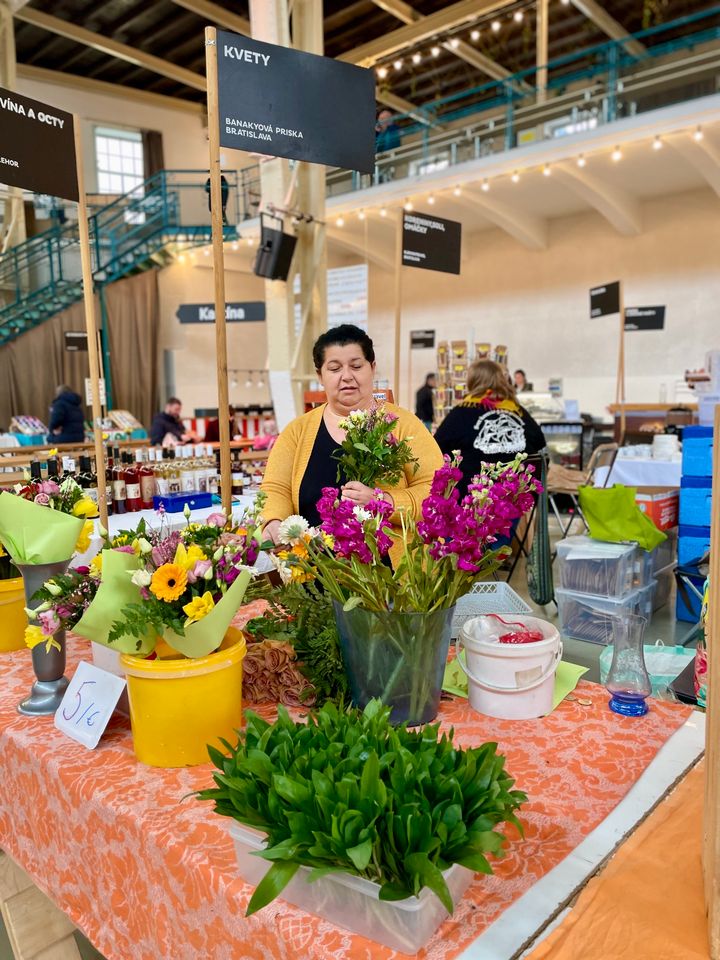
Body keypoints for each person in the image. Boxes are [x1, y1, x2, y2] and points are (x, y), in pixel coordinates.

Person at [261, 324, 443, 564]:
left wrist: (383, 502)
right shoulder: (297, 432)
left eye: (356, 366)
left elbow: (436, 490)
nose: (347, 376)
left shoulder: (404, 425)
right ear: (320, 376)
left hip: (392, 582)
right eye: (334, 368)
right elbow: (276, 488)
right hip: (315, 577)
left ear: (372, 368)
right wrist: (274, 521)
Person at [434, 359, 546, 498]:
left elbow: (436, 446)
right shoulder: (516, 410)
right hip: (512, 501)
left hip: (470, 502)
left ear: (472, 381)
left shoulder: (462, 412)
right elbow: (539, 441)